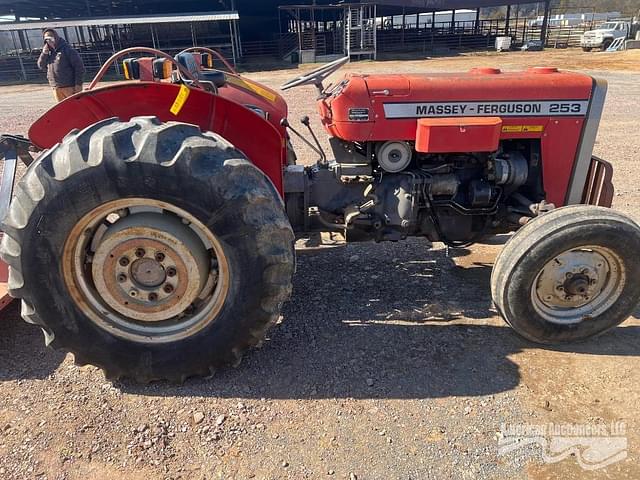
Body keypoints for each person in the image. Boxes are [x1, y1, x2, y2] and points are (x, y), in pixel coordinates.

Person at [37, 28, 85, 102]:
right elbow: (41, 66)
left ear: (55, 38)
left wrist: (78, 85)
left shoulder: (67, 50)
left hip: (70, 86)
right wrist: (44, 54)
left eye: (50, 38)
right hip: (56, 87)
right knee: (63, 110)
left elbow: (79, 67)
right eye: (46, 39)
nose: (49, 41)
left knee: (75, 108)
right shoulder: (48, 53)